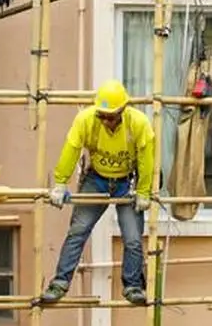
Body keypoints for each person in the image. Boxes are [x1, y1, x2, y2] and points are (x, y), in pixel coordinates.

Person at [41, 80, 154, 306]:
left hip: (126, 182)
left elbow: (146, 158)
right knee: (78, 231)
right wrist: (60, 183)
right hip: (97, 179)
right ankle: (60, 283)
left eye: (110, 116)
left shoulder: (138, 123)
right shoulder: (86, 119)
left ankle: (132, 285)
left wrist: (143, 191)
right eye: (101, 115)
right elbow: (71, 149)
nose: (105, 120)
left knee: (132, 238)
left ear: (122, 111)